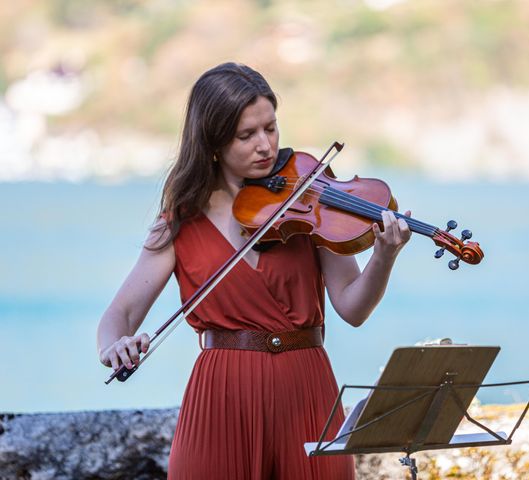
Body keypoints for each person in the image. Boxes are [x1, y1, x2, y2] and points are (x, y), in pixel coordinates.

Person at [96, 62, 411, 479]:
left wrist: (383, 257)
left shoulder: (310, 198)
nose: (265, 145)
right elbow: (119, 316)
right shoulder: (180, 223)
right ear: (213, 143)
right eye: (247, 135)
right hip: (221, 395)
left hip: (306, 387)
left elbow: (353, 307)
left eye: (271, 128)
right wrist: (113, 346)